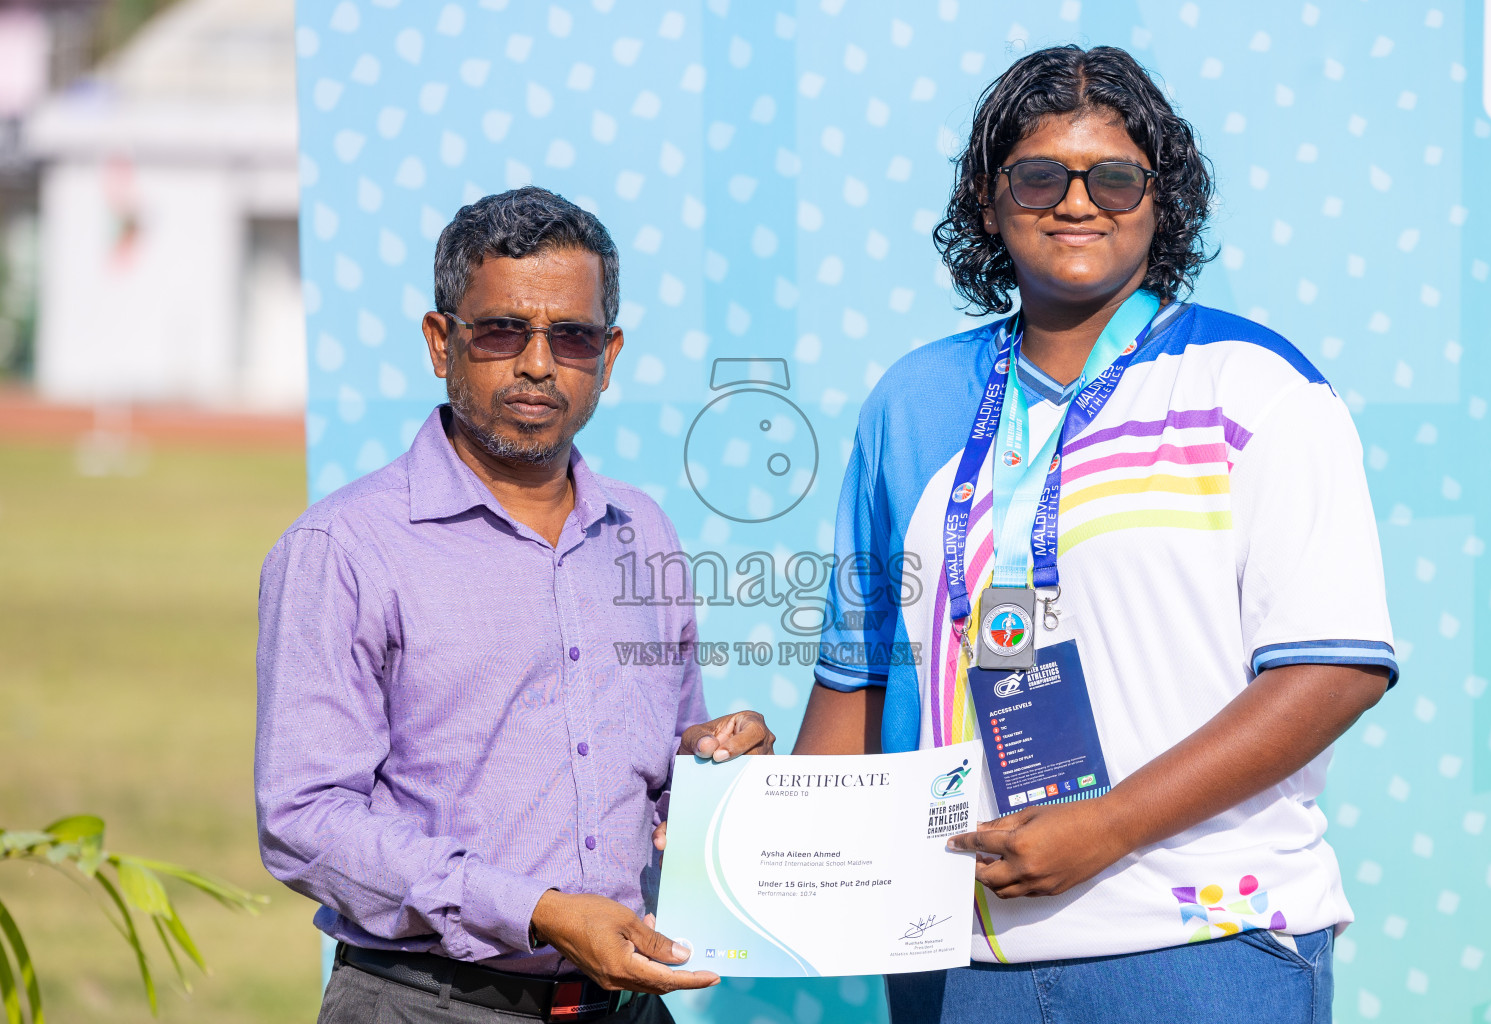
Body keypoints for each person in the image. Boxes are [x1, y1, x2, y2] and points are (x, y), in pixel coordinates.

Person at [794, 45, 1396, 1023]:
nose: (1078, 200)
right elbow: (856, 690)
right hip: (954, 959)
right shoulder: (909, 404)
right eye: (1039, 174)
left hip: (1200, 945)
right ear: (989, 203)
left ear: (1162, 200)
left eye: (1114, 176)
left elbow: (1332, 672)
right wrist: (738, 838)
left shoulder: (1258, 386)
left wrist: (1109, 826)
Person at [256, 187, 774, 1024]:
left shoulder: (642, 532)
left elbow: (657, 784)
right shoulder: (345, 549)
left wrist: (715, 768)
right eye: (502, 331)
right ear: (441, 341)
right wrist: (535, 910)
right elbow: (305, 819)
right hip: (427, 1002)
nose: (538, 363)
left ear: (606, 356)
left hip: (624, 1005)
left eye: (569, 336)